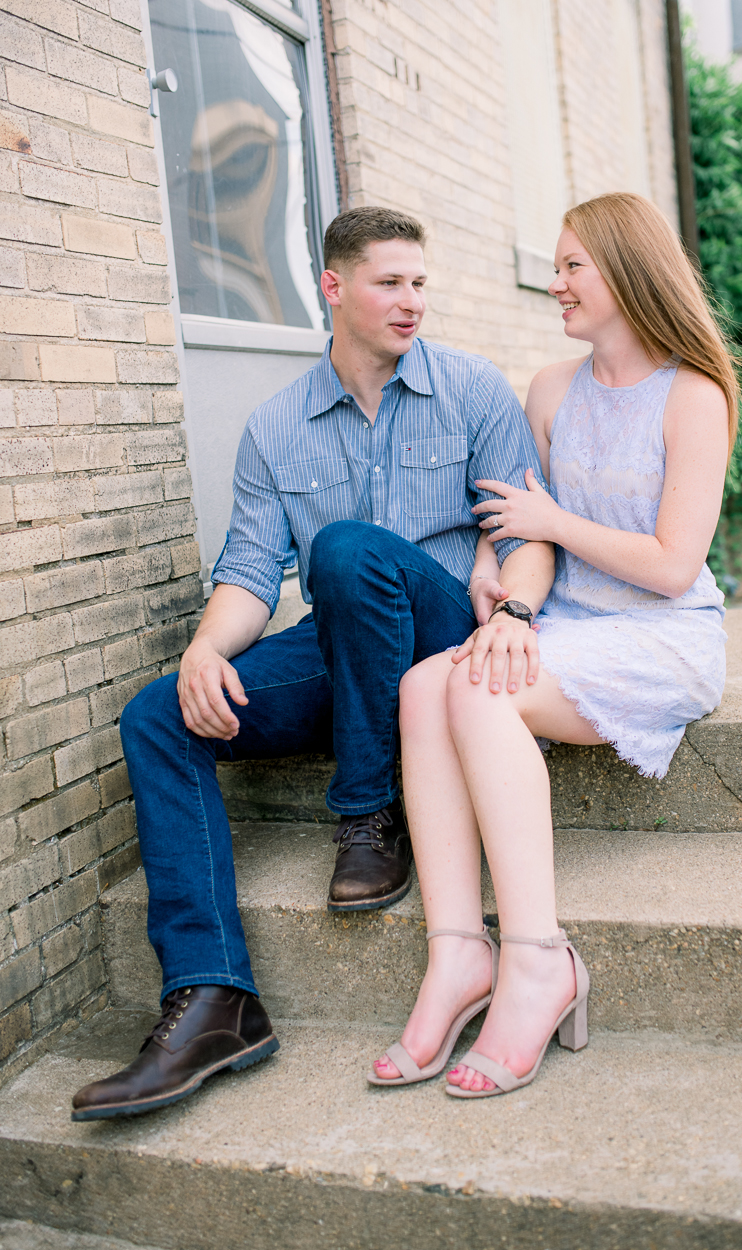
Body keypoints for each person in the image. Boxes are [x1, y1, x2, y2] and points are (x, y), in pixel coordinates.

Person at [70, 206, 554, 1121]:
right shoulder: (276, 427)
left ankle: (368, 814)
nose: (412, 301)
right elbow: (251, 573)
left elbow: (523, 533)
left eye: (420, 282)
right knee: (155, 714)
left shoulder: (472, 389)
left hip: (442, 638)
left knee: (344, 549)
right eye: (390, 283)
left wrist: (517, 610)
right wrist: (204, 652)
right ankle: (214, 997)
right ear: (334, 288)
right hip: (346, 650)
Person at [369, 191, 737, 1098]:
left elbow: (670, 562)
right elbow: (516, 531)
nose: (554, 282)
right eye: (557, 264)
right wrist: (497, 584)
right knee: (424, 686)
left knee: (478, 694)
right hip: (565, 621)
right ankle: (457, 955)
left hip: (659, 635)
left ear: (626, 271)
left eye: (572, 265)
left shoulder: (693, 395)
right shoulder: (550, 389)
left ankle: (537, 959)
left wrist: (550, 524)